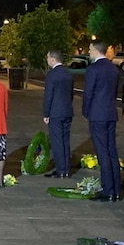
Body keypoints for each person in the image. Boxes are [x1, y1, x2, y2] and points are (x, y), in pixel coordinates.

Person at [82, 41, 121, 202]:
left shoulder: (93, 69)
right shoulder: (113, 69)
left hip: (97, 115)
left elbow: (88, 94)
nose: (89, 52)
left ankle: (108, 191)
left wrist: (86, 111)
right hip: (110, 113)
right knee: (112, 151)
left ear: (97, 51)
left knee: (102, 153)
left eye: (90, 49)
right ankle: (116, 189)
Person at [42, 49, 73, 178]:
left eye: (48, 58)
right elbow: (70, 94)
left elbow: (48, 95)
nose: (47, 60)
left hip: (55, 112)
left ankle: (60, 169)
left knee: (57, 142)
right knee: (65, 141)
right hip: (67, 111)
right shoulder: (68, 74)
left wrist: (46, 113)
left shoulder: (52, 75)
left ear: (53, 59)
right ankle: (66, 169)